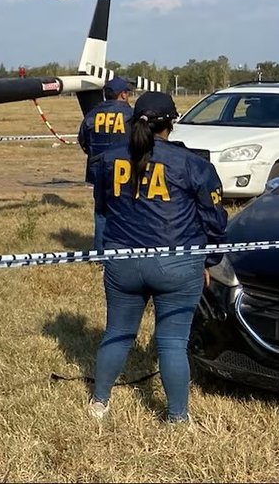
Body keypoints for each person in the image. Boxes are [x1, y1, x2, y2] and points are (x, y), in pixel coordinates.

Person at [89, 91, 227, 423]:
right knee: (172, 342)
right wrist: (210, 260)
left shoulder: (107, 160)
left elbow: (103, 210)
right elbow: (215, 219)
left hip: (122, 263)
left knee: (118, 333)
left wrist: (106, 250)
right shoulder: (193, 164)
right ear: (171, 123)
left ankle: (99, 403)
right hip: (177, 265)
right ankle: (177, 417)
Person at [78, 76, 133, 251]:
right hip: (125, 171)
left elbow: (84, 141)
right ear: (123, 95)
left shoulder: (91, 115)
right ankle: (123, 250)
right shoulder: (131, 115)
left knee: (101, 212)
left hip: (99, 171)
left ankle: (100, 255)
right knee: (127, 211)